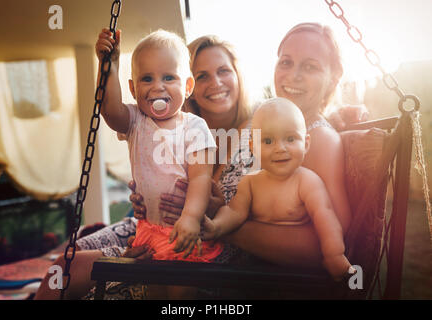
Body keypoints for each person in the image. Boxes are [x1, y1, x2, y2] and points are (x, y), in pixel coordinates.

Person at [35, 24, 364, 300]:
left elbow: (326, 245)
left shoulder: (316, 139)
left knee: (64, 278)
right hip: (165, 233)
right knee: (59, 271)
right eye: (286, 62)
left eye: (311, 66)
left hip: (203, 262)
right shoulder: (264, 123)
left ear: (334, 77)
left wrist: (215, 222)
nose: (292, 75)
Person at [202, 97, 353, 280]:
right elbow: (234, 212)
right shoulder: (250, 182)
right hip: (255, 265)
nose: (280, 148)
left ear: (306, 144)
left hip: (292, 270)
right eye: (267, 141)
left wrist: (334, 255)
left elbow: (325, 218)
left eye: (290, 139)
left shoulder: (307, 182)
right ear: (253, 147)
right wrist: (216, 226)